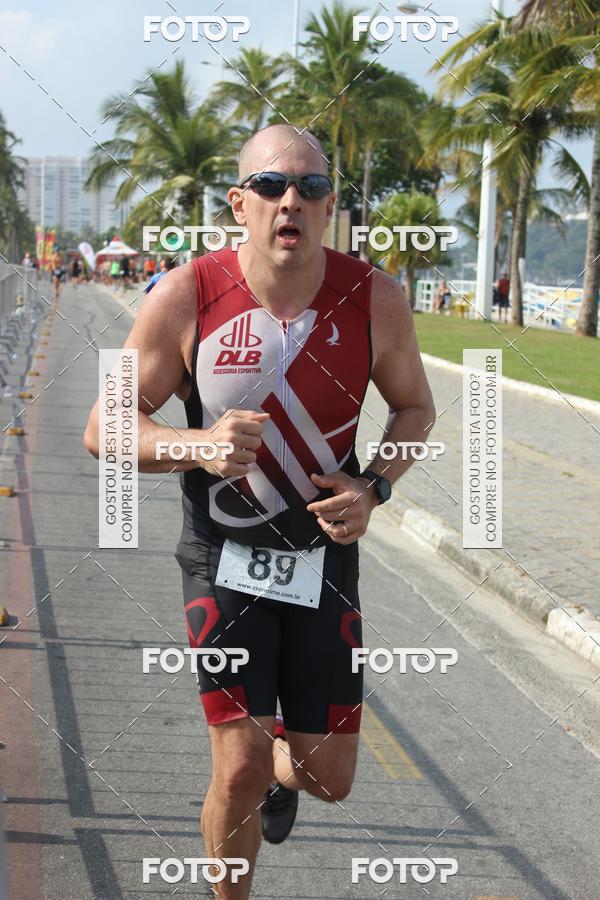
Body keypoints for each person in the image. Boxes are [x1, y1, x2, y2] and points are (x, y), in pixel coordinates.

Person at [84, 123, 435, 899]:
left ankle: (288, 768)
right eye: (272, 187)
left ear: (330, 206)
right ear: (240, 204)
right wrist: (198, 445)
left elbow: (415, 410)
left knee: (327, 776)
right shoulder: (187, 294)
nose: (291, 203)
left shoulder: (374, 296)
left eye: (310, 189)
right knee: (237, 768)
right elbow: (105, 426)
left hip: (321, 556)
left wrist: (374, 486)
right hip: (223, 554)